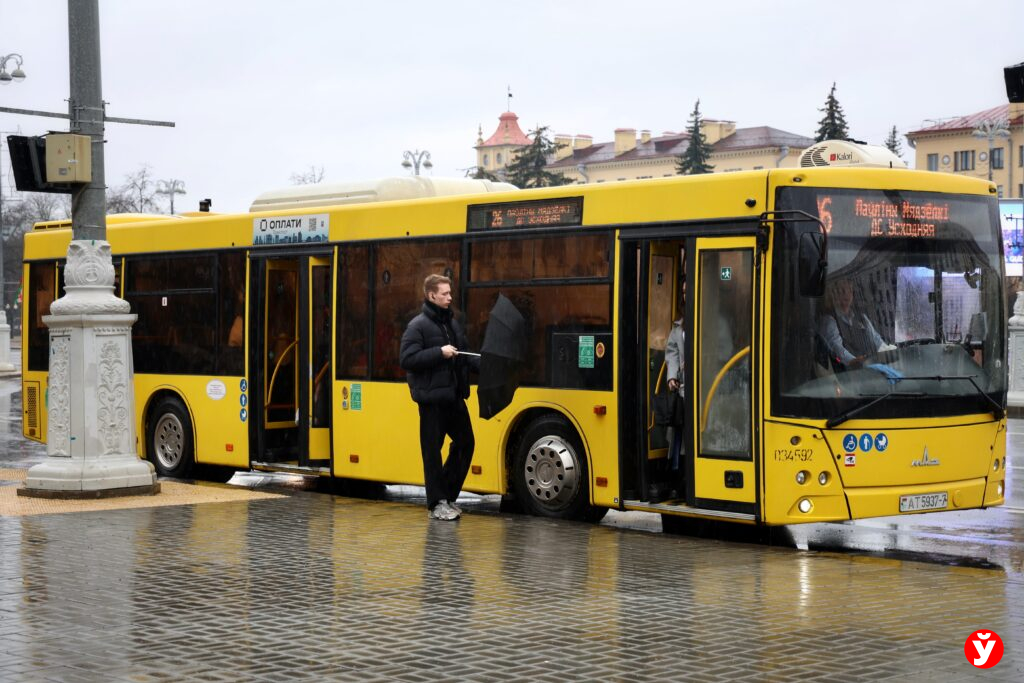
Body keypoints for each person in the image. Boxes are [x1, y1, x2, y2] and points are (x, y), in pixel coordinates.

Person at [400, 274, 478, 521]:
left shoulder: (452, 325)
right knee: (432, 452)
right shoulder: (417, 326)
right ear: (431, 295)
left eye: (449, 293)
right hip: (432, 402)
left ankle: (447, 496)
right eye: (444, 293)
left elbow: (464, 355)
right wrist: (438, 353)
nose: (450, 297)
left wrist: (488, 363)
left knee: (466, 443)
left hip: (454, 398)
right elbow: (407, 359)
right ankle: (437, 503)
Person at [819, 278, 887, 369]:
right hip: (849, 375)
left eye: (850, 290)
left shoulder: (862, 317)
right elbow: (837, 349)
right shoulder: (829, 320)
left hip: (871, 368)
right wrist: (853, 361)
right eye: (842, 291)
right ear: (834, 295)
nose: (847, 295)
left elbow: (876, 340)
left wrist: (889, 351)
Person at [664, 317, 685, 473]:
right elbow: (673, 353)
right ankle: (678, 471)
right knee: (679, 428)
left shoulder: (714, 322)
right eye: (683, 292)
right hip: (683, 388)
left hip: (704, 387)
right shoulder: (678, 328)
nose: (686, 295)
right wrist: (672, 376)